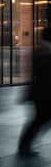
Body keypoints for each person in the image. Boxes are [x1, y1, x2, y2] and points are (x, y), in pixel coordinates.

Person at [19, 27, 51, 156]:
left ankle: (26, 144)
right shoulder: (41, 51)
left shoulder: (43, 51)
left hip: (43, 92)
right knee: (39, 119)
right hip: (42, 93)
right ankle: (24, 145)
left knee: (40, 119)